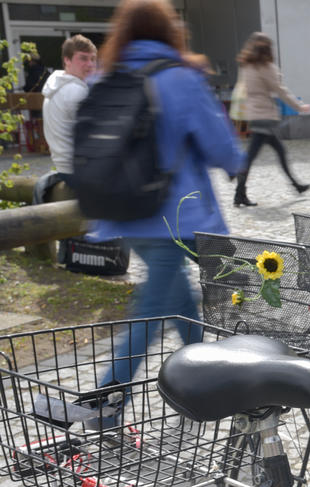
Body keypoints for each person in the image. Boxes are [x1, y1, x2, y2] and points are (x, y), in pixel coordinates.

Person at [90, 0, 243, 387]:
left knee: (179, 301)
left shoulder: (107, 77)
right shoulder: (181, 77)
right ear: (170, 31)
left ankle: (205, 379)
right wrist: (236, 162)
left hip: (122, 211)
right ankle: (106, 401)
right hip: (172, 218)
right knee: (152, 308)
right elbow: (222, 149)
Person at [232, 32, 310, 207]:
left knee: (276, 152)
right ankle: (239, 192)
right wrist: (299, 106)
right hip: (266, 116)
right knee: (252, 157)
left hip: (254, 115)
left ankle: (296, 185)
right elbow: (280, 90)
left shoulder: (246, 65)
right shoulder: (266, 67)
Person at [41, 34, 97, 181]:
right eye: (83, 58)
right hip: (79, 172)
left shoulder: (55, 85)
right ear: (67, 60)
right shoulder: (76, 91)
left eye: (93, 59)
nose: (90, 64)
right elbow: (93, 136)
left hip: (63, 168)